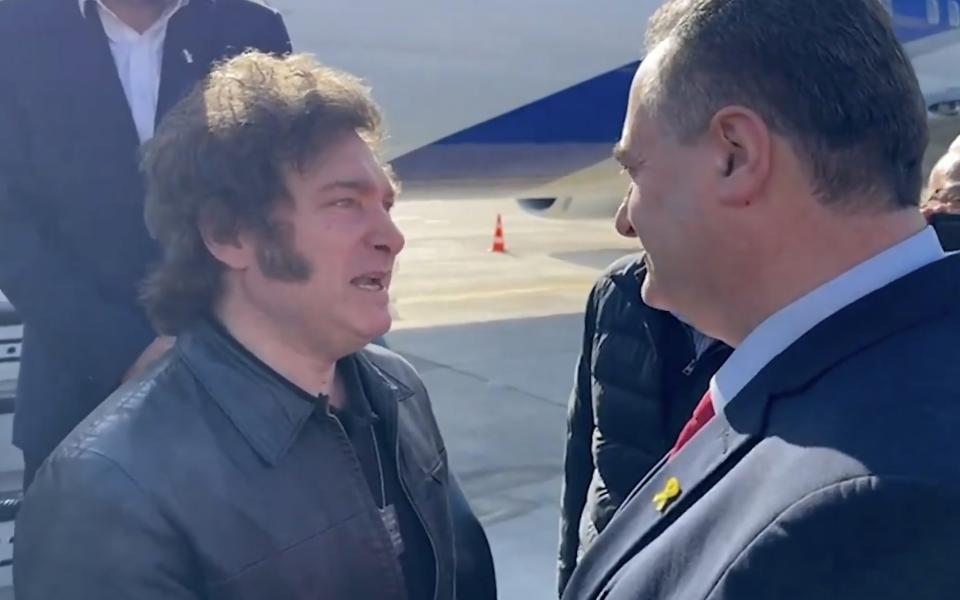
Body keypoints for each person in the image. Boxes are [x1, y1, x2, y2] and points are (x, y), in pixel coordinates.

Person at [14, 51, 495, 600]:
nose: (391, 236)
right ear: (228, 234)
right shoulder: (106, 492)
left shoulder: (398, 391)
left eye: (386, 204)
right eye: (345, 203)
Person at [562, 1, 960, 598]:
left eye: (635, 172)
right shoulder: (880, 386)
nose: (624, 219)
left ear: (736, 155)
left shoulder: (866, 514)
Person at [0, 0, 292, 489]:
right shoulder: (16, 29)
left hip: (232, 391)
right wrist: (123, 350)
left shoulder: (250, 27)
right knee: (75, 562)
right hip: (76, 391)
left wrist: (209, 346)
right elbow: (10, 225)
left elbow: (278, 204)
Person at [557, 190, 731, 596]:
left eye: (646, 179)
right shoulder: (617, 293)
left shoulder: (789, 325)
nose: (623, 220)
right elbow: (581, 463)